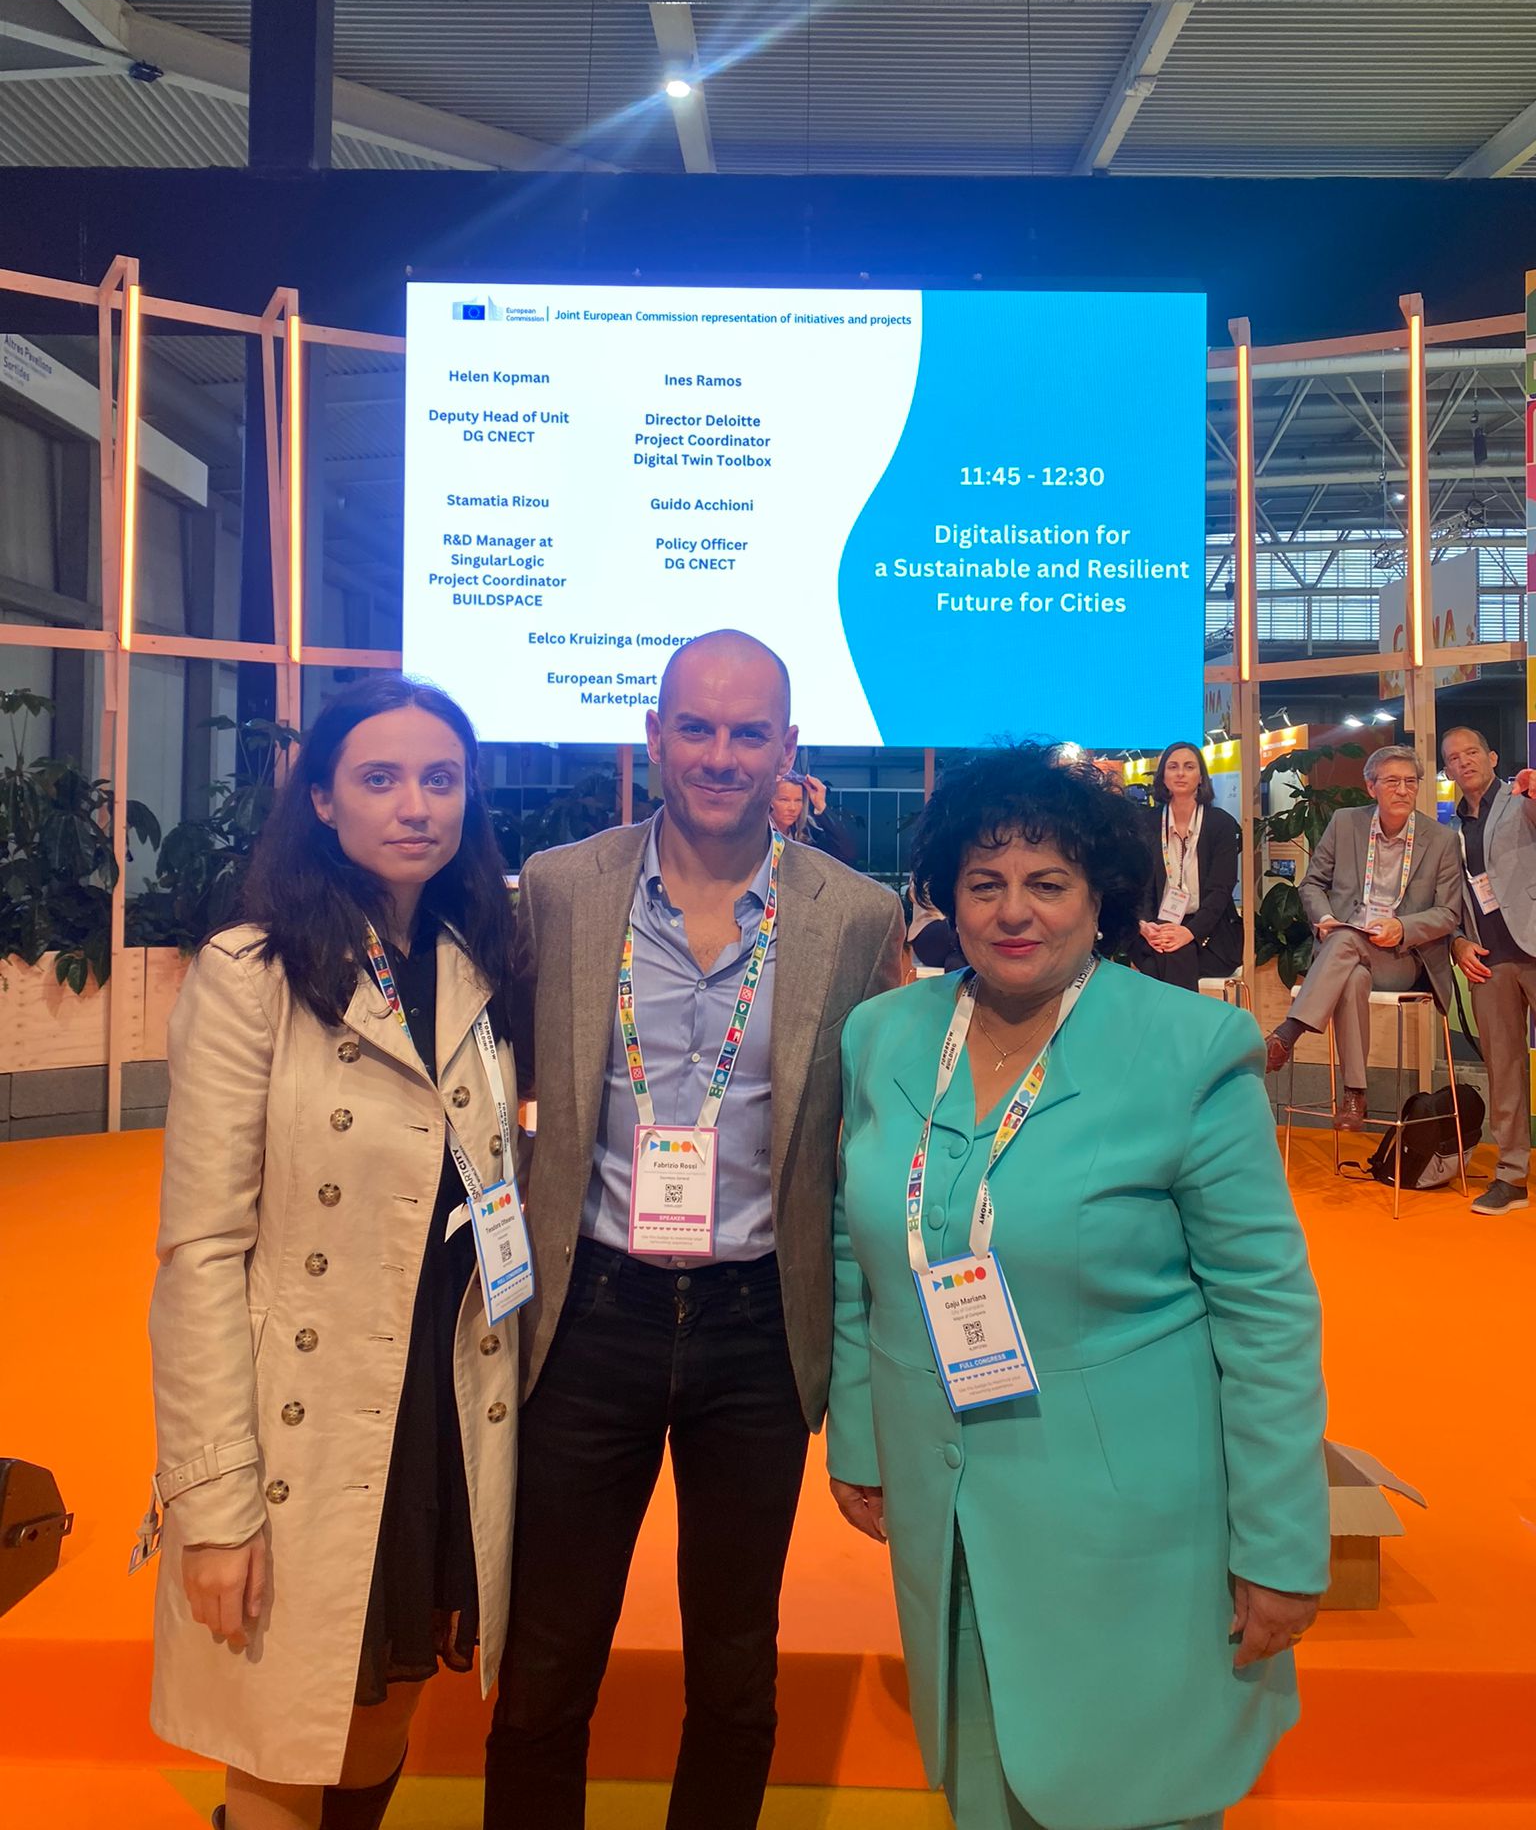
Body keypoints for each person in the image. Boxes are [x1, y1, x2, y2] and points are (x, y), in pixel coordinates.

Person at [826, 744, 1329, 1830]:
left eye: (1047, 882)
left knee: (1134, 1793)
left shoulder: (1191, 1047)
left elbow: (1266, 1312)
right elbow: (854, 1246)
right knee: (985, 1788)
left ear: (1100, 894)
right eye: (984, 882)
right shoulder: (884, 1035)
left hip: (1134, 1531)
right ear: (946, 895)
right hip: (946, 1513)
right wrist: (859, 1437)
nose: (1015, 911)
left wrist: (1282, 1541)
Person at [484, 629, 904, 1830]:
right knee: (547, 1655)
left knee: (733, 1663)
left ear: (788, 747)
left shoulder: (855, 914)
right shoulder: (563, 885)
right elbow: (498, 1064)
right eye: (698, 727)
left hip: (758, 1326)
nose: (721, 755)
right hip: (589, 1312)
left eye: (749, 731)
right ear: (655, 734)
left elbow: (870, 1129)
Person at [147, 676, 522, 1830]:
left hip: (437, 1399)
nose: (416, 804)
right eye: (379, 777)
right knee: (282, 1728)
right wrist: (214, 1500)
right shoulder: (253, 970)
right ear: (320, 797)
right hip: (305, 1414)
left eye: (441, 778)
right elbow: (201, 1248)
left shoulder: (472, 959)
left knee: (380, 1709)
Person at [1264, 745, 1461, 1129]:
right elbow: (1312, 884)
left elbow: (1449, 913)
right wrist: (1325, 918)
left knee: (1343, 943)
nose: (1403, 790)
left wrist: (1402, 927)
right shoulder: (1345, 823)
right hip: (1347, 950)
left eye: (1410, 782)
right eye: (1392, 781)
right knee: (1351, 970)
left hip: (1401, 957)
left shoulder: (1440, 839)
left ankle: (1288, 1033)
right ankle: (1355, 1094)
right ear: (1371, 787)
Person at [1442, 726, 1536, 1217]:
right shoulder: (1450, 826)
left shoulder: (1520, 800)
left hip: (1534, 945)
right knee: (1504, 1069)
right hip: (1488, 960)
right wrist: (1457, 942)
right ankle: (1512, 1176)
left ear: (1492, 757)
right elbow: (1451, 897)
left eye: (1472, 752)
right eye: (1454, 758)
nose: (1464, 762)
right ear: (1447, 770)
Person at [1130, 740, 1242, 992]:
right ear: (1163, 776)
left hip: (1210, 933)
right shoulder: (1146, 824)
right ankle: (1185, 1019)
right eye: (1173, 767)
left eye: (1189, 767)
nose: (1180, 773)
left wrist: (1189, 933)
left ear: (1201, 777)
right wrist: (1146, 925)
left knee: (1169, 957)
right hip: (1156, 928)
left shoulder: (1220, 824)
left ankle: (1166, 1019)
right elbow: (1140, 884)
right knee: (1167, 950)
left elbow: (1221, 890)